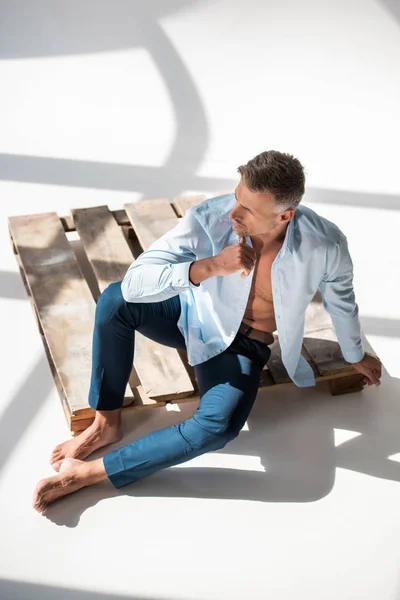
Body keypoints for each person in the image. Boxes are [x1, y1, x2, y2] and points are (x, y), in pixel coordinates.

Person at [33, 150, 382, 513]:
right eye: (237, 197)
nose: (234, 212)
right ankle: (106, 423)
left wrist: (354, 354)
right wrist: (209, 266)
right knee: (114, 301)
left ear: (285, 215)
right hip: (192, 316)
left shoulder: (325, 244)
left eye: (248, 210)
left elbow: (342, 300)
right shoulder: (209, 217)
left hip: (244, 346)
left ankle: (87, 474)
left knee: (218, 427)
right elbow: (136, 282)